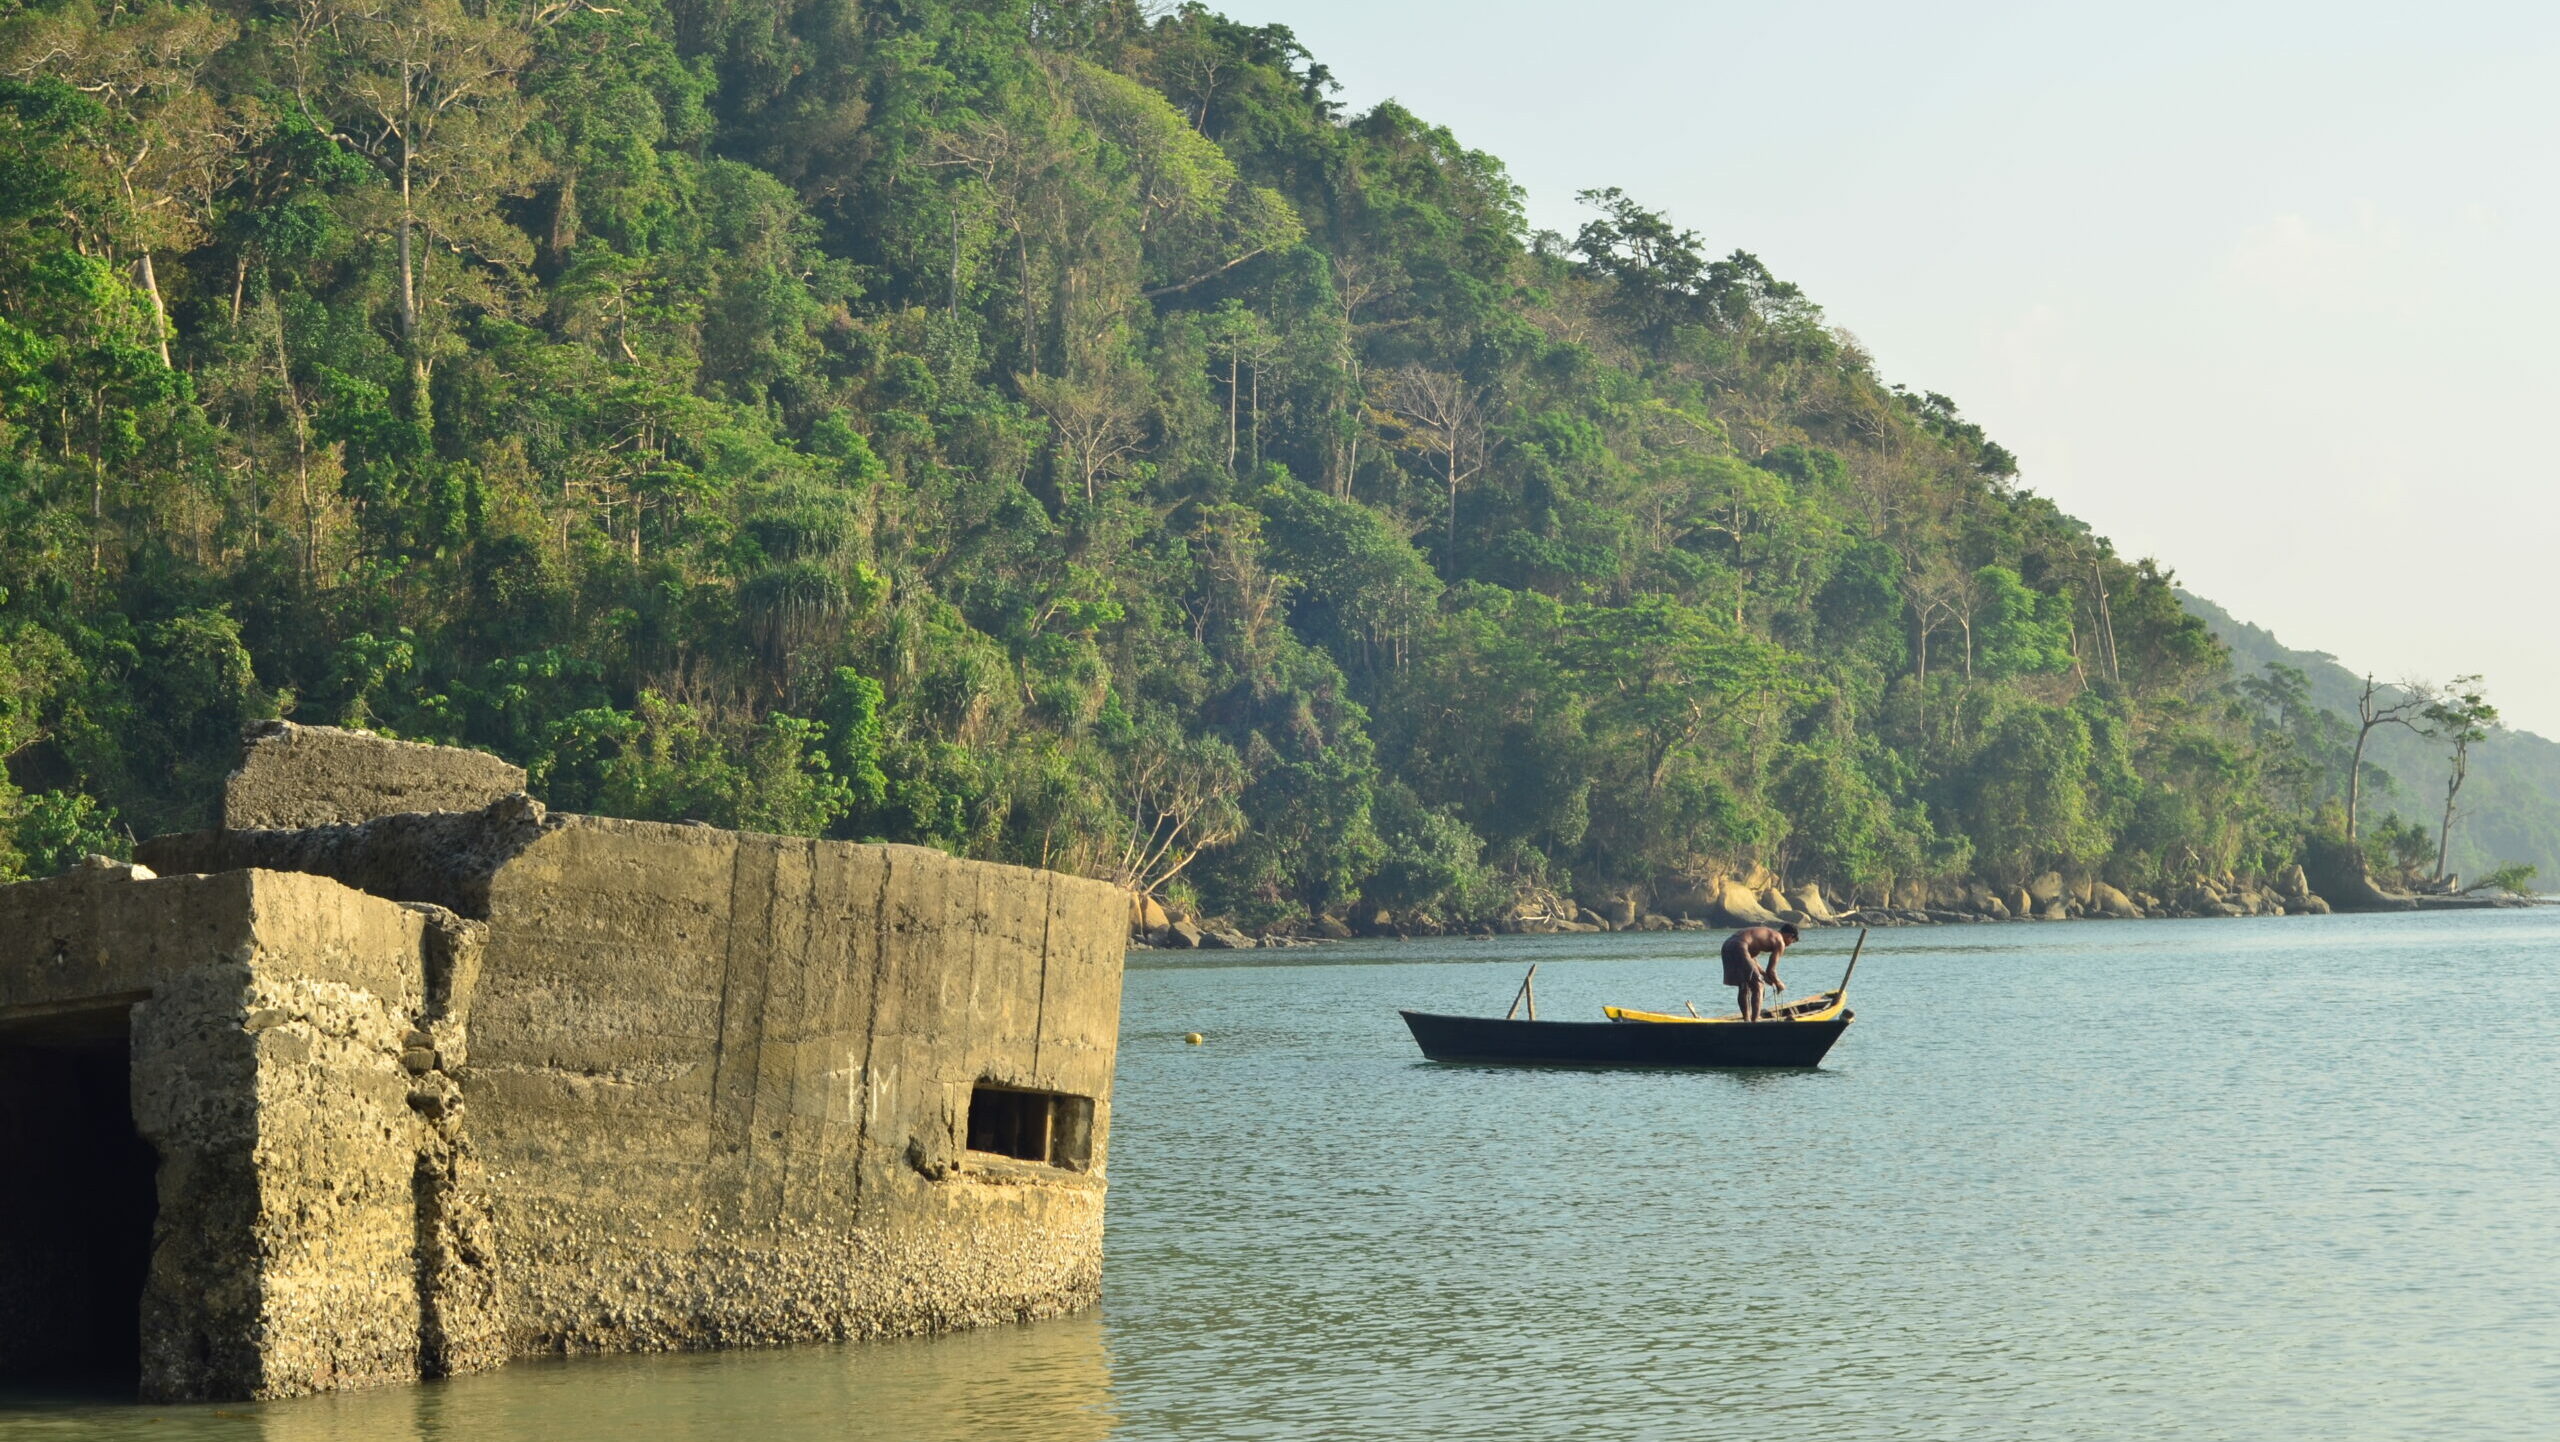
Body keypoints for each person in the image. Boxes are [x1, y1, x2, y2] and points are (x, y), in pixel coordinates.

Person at [1721, 922, 1796, 1021]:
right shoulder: (1780, 940)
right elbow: (1771, 971)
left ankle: (1746, 1020)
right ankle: (1755, 1021)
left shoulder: (1765, 935)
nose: (1789, 945)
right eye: (1792, 942)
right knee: (1758, 984)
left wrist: (1764, 975)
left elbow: (1750, 959)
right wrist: (1778, 983)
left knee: (1744, 985)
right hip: (1740, 946)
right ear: (1790, 936)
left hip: (1727, 945)